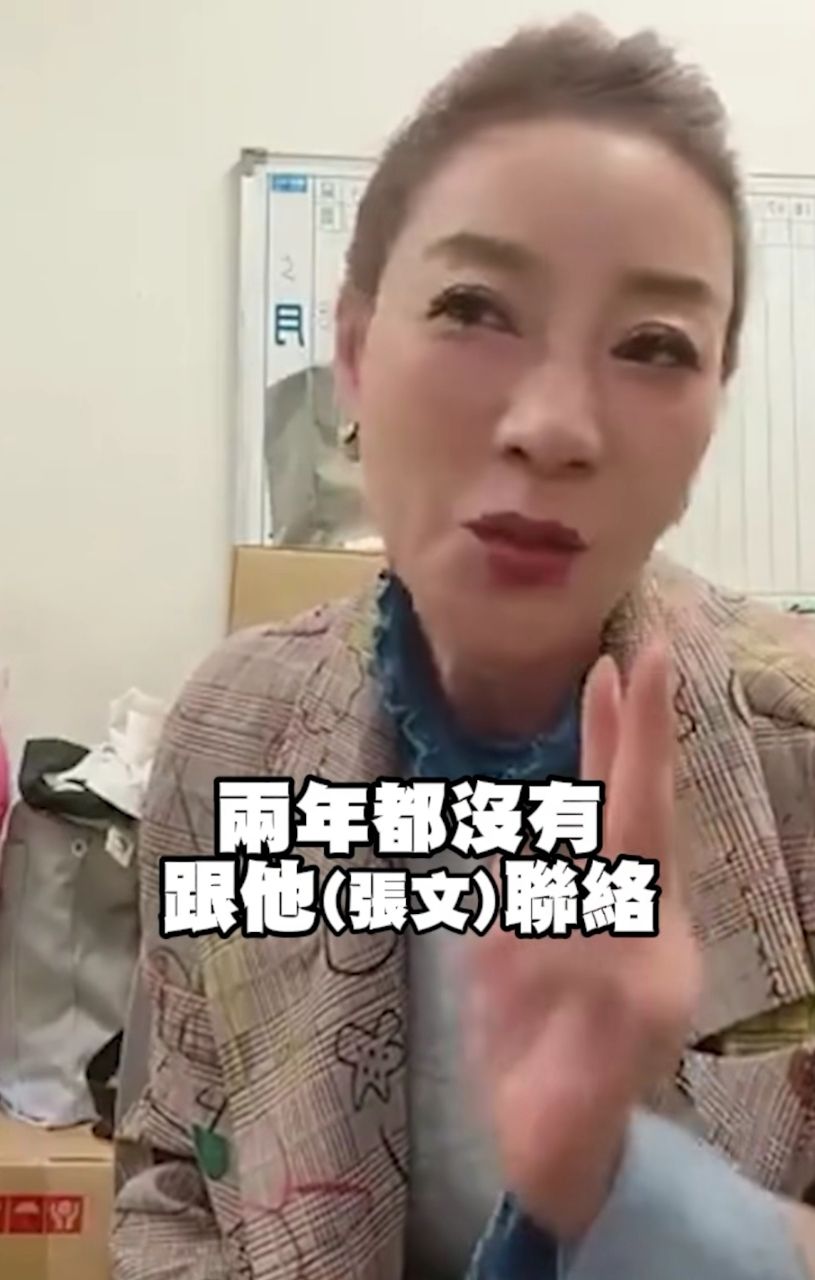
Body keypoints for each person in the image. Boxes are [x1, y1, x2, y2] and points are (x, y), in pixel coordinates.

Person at [112, 17, 815, 1279]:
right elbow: (170, 1175)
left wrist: (642, 1204)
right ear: (354, 353)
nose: (552, 424)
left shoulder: (798, 748)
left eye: (653, 345)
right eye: (474, 308)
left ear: (712, 405)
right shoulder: (233, 730)